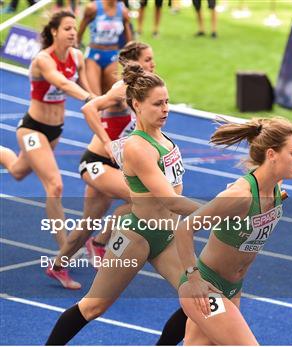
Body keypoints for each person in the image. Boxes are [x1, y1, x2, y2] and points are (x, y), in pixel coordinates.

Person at [45, 64, 201, 345]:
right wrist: (217, 214)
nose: (165, 109)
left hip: (166, 237)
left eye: (167, 102)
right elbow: (169, 199)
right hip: (137, 237)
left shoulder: (164, 139)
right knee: (93, 306)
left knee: (199, 298)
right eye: (157, 104)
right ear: (137, 105)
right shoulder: (138, 147)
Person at [175, 117, 292, 345]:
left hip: (232, 288)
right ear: (272, 154)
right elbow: (184, 228)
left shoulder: (276, 187)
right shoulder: (240, 196)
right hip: (206, 287)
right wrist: (193, 279)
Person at [45, 41, 156, 290]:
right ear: (134, 62)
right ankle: (100, 243)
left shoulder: (144, 90)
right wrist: (107, 143)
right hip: (96, 162)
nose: (153, 63)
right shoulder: (121, 90)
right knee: (143, 199)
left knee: (88, 223)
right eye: (148, 59)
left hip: (115, 165)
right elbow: (89, 108)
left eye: (153, 59)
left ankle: (57, 266)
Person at [0, 11, 93, 249]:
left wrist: (105, 102)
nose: (74, 33)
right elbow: (62, 83)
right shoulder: (43, 59)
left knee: (18, 170)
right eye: (67, 28)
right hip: (32, 129)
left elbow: (88, 87)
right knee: (55, 185)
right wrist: (88, 98)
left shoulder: (77, 57)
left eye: (74, 28)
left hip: (55, 130)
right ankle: (63, 254)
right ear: (54, 32)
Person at [78, 0, 132, 96]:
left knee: (113, 98)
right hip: (93, 56)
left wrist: (131, 58)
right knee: (94, 97)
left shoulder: (123, 11)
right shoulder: (93, 8)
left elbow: (129, 40)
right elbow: (79, 33)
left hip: (113, 56)